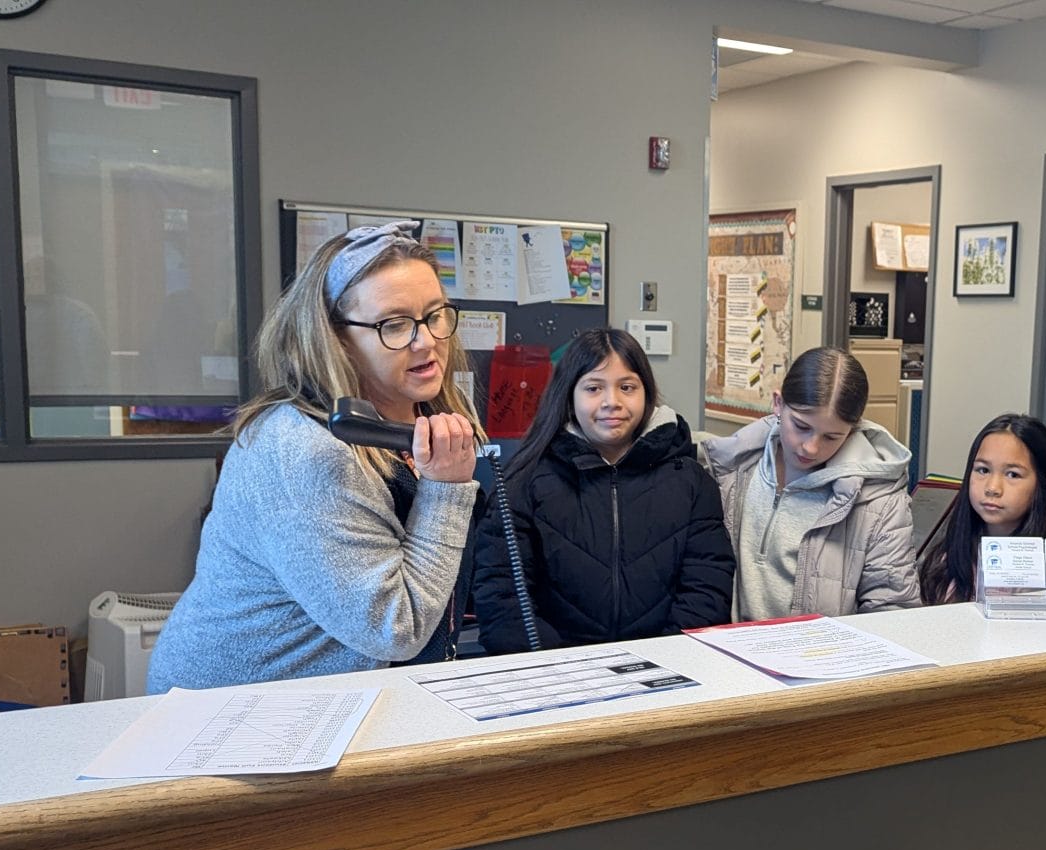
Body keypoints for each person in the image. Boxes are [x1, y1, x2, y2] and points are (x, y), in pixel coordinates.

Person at [148, 221, 481, 692]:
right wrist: (445, 490)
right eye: (394, 324)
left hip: (334, 696)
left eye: (434, 315)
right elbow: (394, 629)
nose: (425, 341)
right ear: (336, 338)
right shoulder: (306, 451)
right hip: (233, 708)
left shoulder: (410, 415)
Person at [473, 327, 732, 651]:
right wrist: (567, 672)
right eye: (594, 388)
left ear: (647, 394)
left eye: (627, 387)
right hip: (555, 678)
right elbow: (501, 600)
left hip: (668, 676)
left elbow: (707, 589)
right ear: (569, 396)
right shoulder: (523, 483)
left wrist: (664, 662)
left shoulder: (692, 483)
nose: (613, 402)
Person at [699, 346, 916, 620]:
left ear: (853, 428)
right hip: (728, 652)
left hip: (822, 657)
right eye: (801, 426)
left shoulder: (879, 499)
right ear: (778, 403)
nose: (811, 448)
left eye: (831, 437)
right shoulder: (731, 467)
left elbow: (893, 611)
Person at [917, 413, 1046, 604]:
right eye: (983, 470)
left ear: (1045, 485)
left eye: (1012, 475)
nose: (992, 488)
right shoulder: (945, 561)